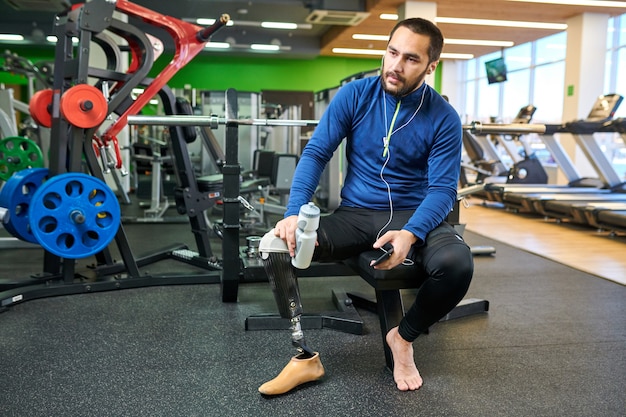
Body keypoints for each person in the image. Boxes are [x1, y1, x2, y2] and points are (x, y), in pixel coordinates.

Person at [258, 17, 474, 395]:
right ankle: (303, 355)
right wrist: (293, 212)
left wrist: (411, 233)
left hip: (414, 214)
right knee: (274, 245)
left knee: (457, 265)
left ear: (430, 66)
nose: (395, 65)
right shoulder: (355, 96)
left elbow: (442, 190)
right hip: (356, 216)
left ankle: (403, 338)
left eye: (410, 58)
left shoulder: (443, 117)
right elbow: (316, 153)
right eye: (392, 52)